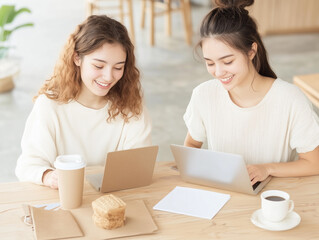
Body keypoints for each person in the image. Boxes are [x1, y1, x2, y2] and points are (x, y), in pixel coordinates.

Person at [183, 0, 319, 185]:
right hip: (223, 197)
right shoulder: (203, 95)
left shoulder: (291, 99)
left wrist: (267, 168)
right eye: (210, 63)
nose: (219, 72)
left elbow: (314, 163)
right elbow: (191, 145)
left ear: (251, 51)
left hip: (271, 201)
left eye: (228, 61)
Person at [15, 15, 152, 189]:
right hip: (63, 200)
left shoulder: (131, 108)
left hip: (115, 201)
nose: (109, 76)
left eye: (118, 67)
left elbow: (137, 167)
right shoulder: (49, 106)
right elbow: (28, 165)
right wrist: (48, 176)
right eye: (99, 66)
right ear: (77, 58)